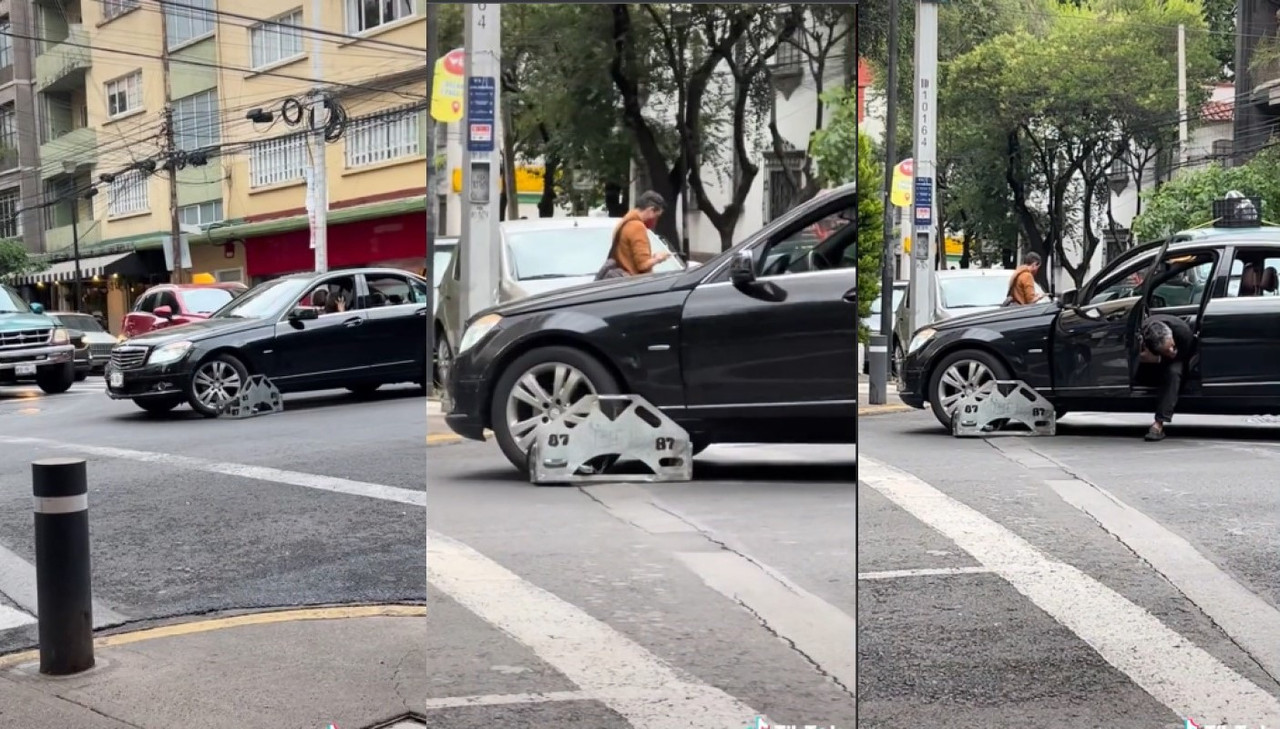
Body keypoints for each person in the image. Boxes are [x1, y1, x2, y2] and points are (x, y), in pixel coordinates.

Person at [1138, 313, 1195, 442]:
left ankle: (1159, 423)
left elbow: (1184, 358)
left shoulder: (1183, 333)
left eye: (1172, 346)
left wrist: (1165, 357)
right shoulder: (1142, 339)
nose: (1171, 350)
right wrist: (1151, 359)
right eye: (1166, 350)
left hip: (1179, 358)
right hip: (1152, 359)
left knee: (1173, 373)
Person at [595, 191, 670, 280]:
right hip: (635, 283)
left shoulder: (623, 223)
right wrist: (659, 258)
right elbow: (642, 265)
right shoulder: (637, 226)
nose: (655, 220)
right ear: (651, 210)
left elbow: (630, 256)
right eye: (657, 216)